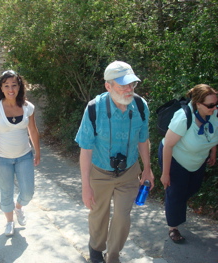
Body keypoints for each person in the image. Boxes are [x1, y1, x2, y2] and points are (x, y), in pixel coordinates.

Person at [75, 61, 154, 263]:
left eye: (132, 84)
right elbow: (86, 150)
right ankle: (95, 249)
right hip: (100, 172)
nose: (129, 89)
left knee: (122, 216)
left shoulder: (140, 106)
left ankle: (113, 256)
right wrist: (86, 186)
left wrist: (147, 169)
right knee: (98, 215)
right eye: (123, 85)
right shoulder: (94, 109)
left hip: (128, 172)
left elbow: (143, 139)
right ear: (108, 86)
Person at [0, 70, 40, 237]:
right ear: (1, 88)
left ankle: (19, 207)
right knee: (6, 191)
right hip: (1, 159)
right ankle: (9, 222)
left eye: (14, 84)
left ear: (20, 86)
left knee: (28, 192)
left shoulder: (28, 107)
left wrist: (37, 152)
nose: (11, 89)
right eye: (6, 85)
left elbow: (33, 131)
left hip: (24, 156)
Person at [158, 84, 218, 243]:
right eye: (210, 105)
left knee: (192, 188)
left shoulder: (214, 114)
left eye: (216, 103)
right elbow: (168, 145)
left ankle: (173, 199)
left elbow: (212, 134)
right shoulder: (184, 117)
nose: (214, 107)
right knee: (176, 193)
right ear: (198, 104)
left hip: (197, 160)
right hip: (175, 159)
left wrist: (213, 152)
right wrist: (165, 173)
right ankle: (173, 227)